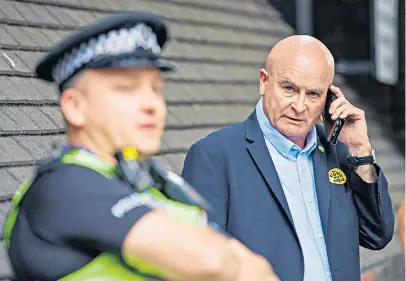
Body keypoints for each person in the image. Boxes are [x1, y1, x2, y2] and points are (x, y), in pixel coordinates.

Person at [3, 12, 279, 281]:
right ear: (75, 107)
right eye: (127, 88)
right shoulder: (66, 186)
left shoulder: (147, 179)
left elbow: (259, 270)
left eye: (156, 89)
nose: (152, 105)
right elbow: (210, 260)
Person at [182, 35, 395, 281]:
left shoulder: (341, 151)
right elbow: (198, 263)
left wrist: (360, 149)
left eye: (313, 94)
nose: (299, 105)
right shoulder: (214, 156)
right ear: (264, 82)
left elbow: (376, 235)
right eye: (289, 88)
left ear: (329, 99)